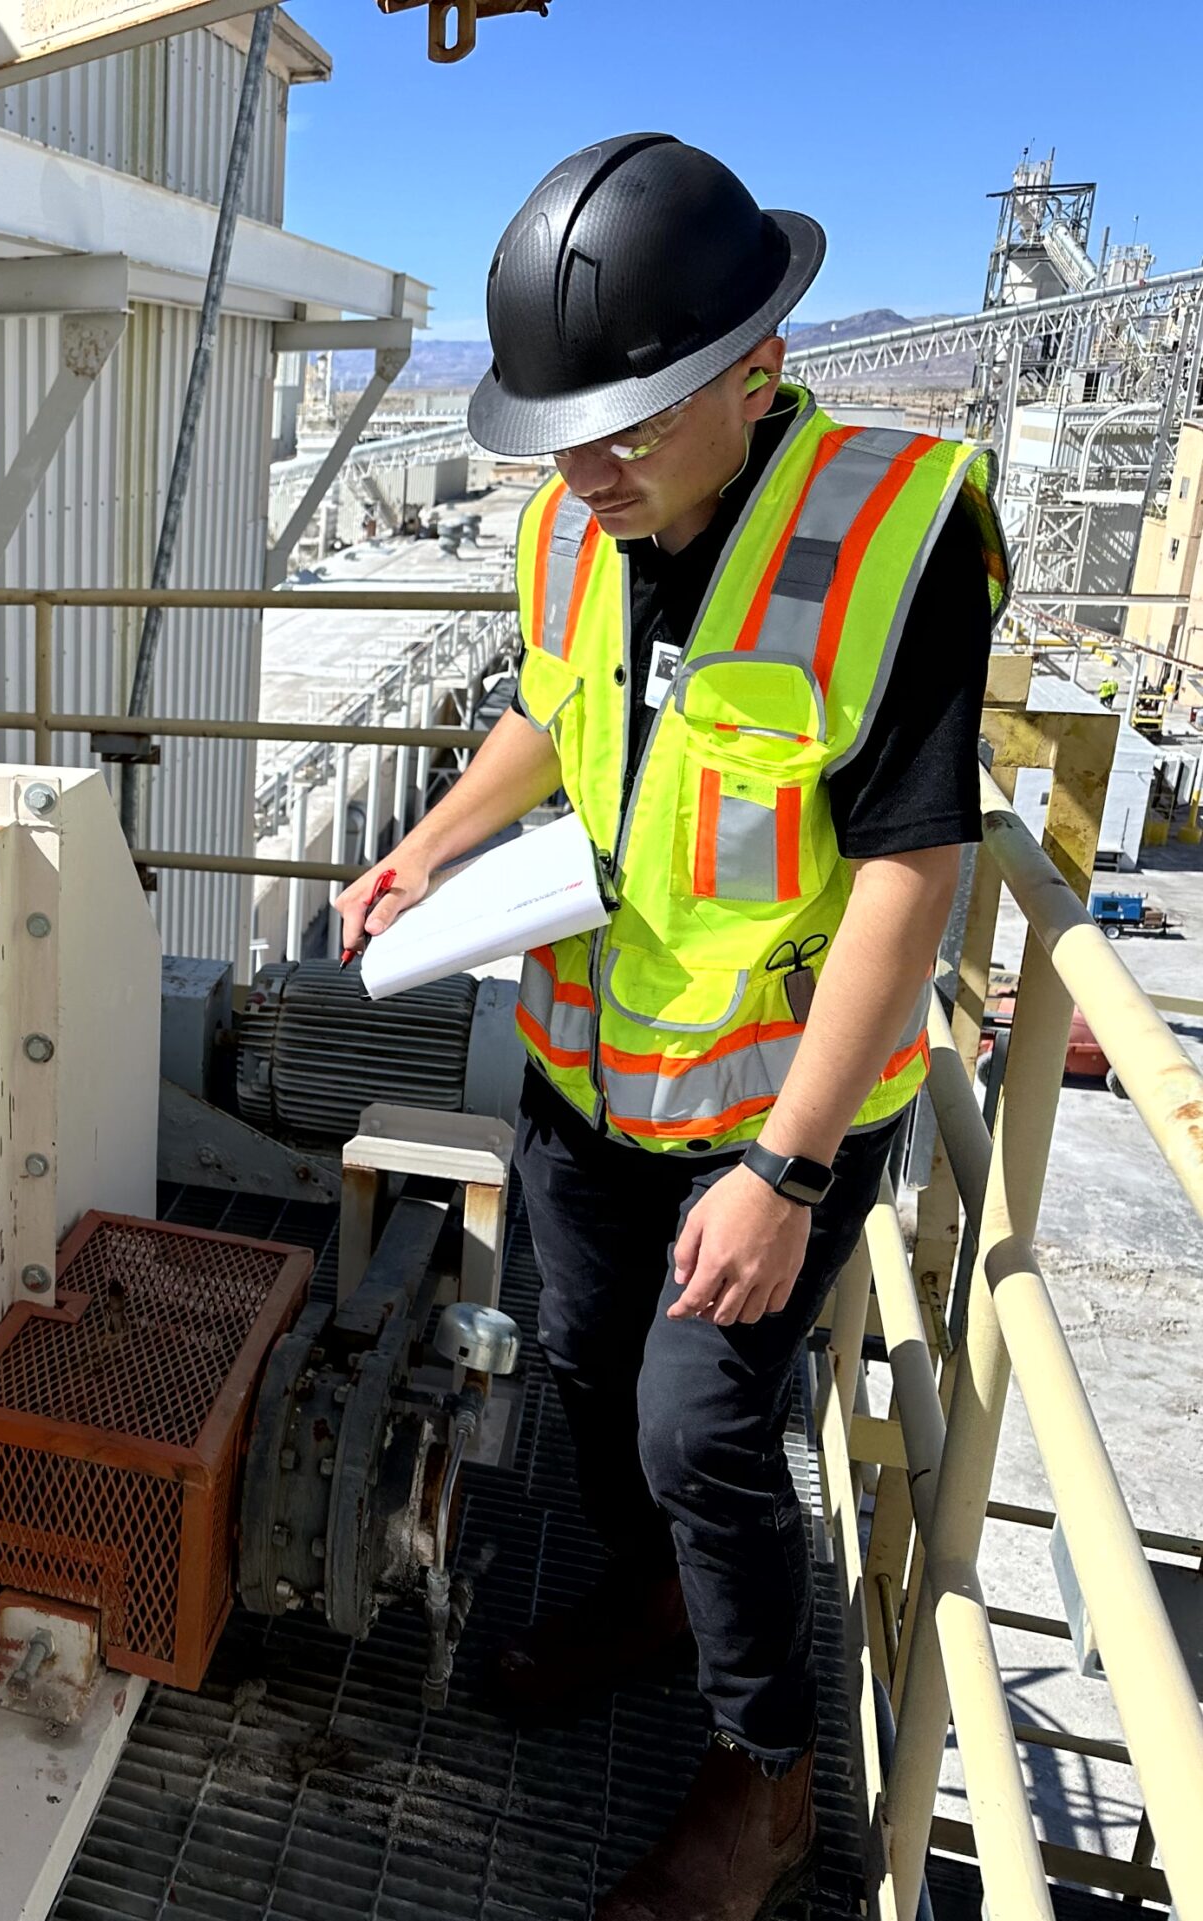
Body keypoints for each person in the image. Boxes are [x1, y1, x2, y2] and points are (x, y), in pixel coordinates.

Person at [336, 137, 1003, 1921]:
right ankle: (653, 1595)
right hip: (594, 1067)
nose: (595, 461)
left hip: (774, 1099)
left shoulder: (894, 538)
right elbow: (557, 719)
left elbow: (910, 876)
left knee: (705, 1424)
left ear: (757, 369)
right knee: (582, 1371)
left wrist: (787, 1169)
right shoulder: (576, 520)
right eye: (570, 427)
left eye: (633, 419)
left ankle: (764, 1773)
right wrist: (430, 840)